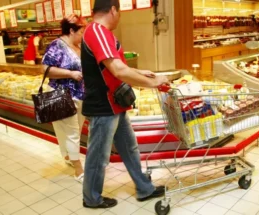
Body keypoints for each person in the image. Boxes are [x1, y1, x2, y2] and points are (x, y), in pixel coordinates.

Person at [81, 0, 170, 209]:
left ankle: (144, 188)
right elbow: (118, 70)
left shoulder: (100, 33)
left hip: (115, 104)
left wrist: (141, 73)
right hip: (104, 106)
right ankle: (91, 198)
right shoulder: (97, 31)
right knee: (98, 156)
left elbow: (113, 65)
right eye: (119, 12)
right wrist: (153, 82)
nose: (119, 17)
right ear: (113, 10)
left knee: (129, 148)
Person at [42, 14, 86, 183]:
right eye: (80, 31)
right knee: (72, 132)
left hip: (79, 95)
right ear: (71, 30)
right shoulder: (57, 45)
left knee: (72, 130)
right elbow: (45, 69)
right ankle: (78, 170)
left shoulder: (79, 46)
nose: (82, 35)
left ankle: (68, 156)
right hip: (61, 94)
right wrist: (70, 73)